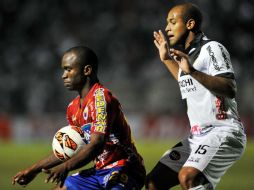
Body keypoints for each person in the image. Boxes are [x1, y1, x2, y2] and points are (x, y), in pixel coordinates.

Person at [12, 46, 146, 190]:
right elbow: (69, 148)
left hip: (125, 168)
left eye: (68, 69)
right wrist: (33, 170)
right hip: (99, 170)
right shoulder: (72, 108)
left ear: (87, 70)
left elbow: (97, 144)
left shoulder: (101, 99)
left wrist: (66, 167)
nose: (63, 75)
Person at [145, 3, 246, 190]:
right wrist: (166, 59)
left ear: (190, 24)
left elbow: (229, 87)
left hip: (223, 130)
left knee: (188, 178)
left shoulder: (213, 48)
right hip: (197, 136)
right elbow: (187, 81)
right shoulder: (187, 55)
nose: (167, 28)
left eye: (173, 22)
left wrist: (192, 71)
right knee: (153, 182)